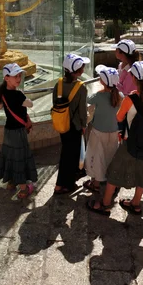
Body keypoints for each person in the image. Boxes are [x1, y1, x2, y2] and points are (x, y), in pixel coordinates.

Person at [87, 61, 143, 216]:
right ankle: (135, 203)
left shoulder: (130, 99)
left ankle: (105, 203)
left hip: (130, 143)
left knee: (114, 172)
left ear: (134, 78)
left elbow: (119, 117)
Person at [0, 62, 37, 198]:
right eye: (15, 76)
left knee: (10, 156)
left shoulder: (2, 92)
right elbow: (30, 104)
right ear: (6, 78)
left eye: (19, 75)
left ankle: (11, 182)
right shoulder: (18, 95)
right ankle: (24, 188)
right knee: (20, 157)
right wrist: (24, 97)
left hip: (8, 130)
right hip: (18, 132)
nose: (18, 79)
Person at [53, 53, 89, 195]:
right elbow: (82, 110)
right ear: (79, 71)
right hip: (74, 126)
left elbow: (54, 103)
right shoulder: (81, 87)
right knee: (70, 156)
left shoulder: (59, 83)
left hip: (62, 124)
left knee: (67, 152)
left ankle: (68, 181)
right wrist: (84, 125)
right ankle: (62, 185)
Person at [83, 66, 122, 193]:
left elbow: (87, 99)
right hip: (114, 131)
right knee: (110, 156)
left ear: (103, 81)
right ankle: (112, 181)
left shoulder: (99, 96)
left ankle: (96, 183)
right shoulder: (120, 95)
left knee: (97, 157)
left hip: (99, 131)